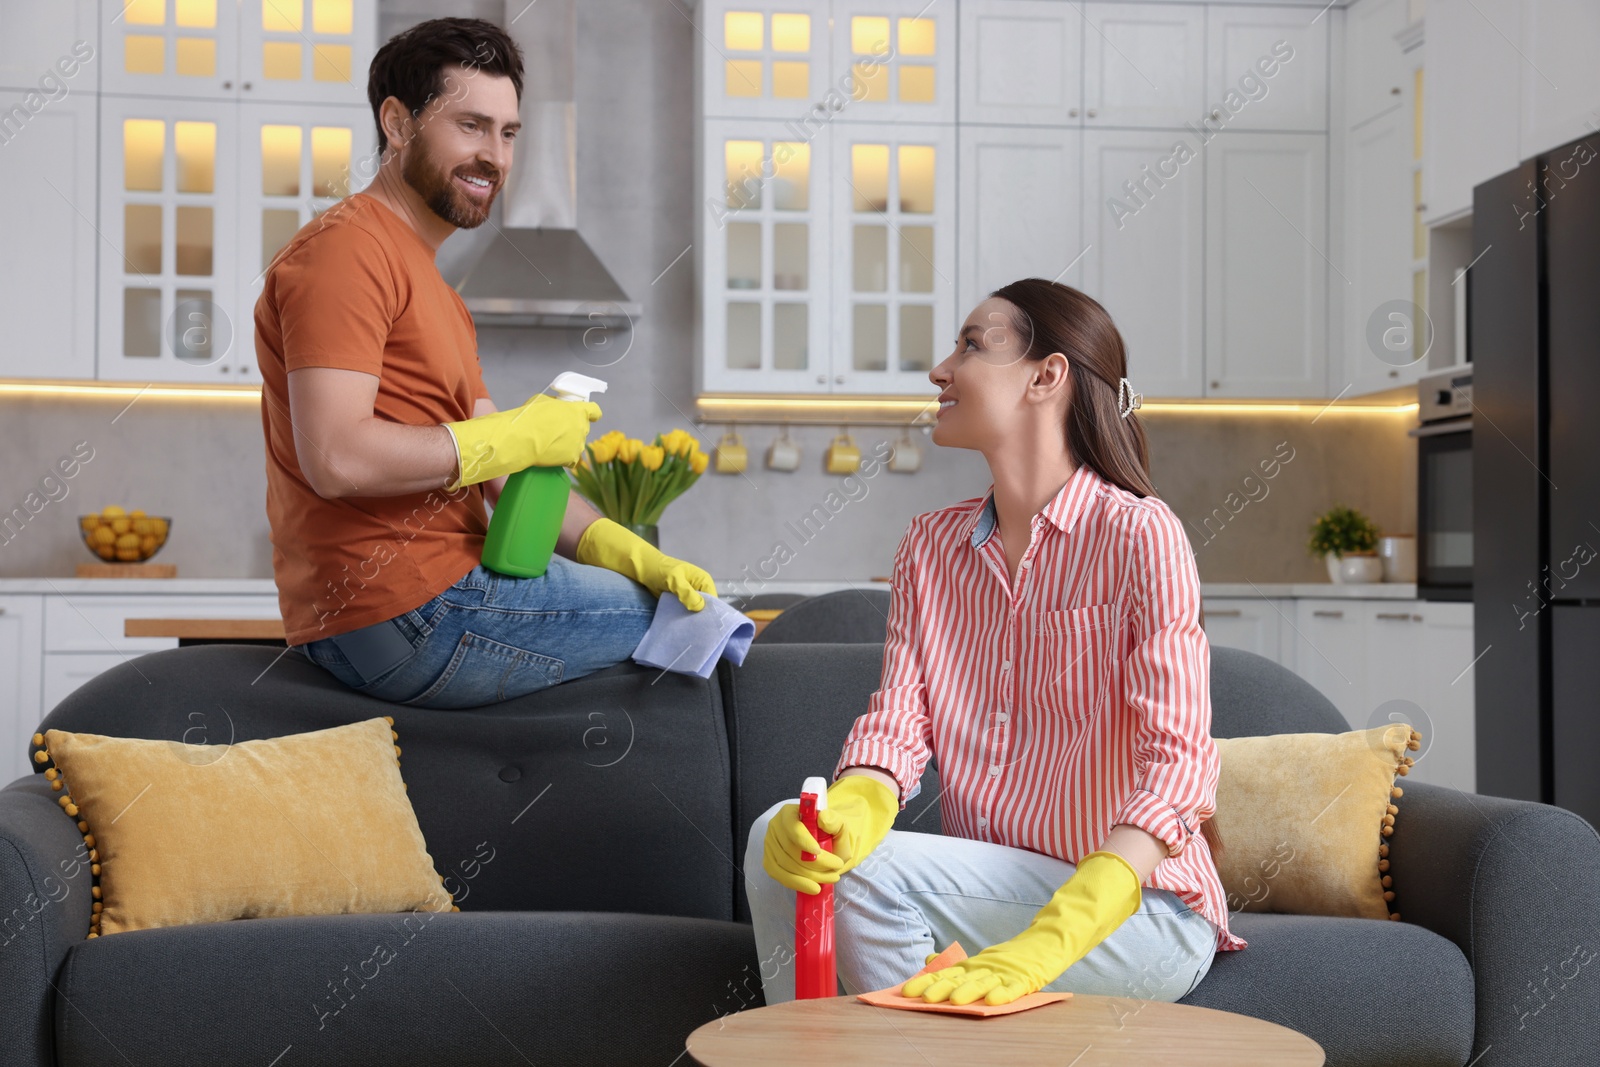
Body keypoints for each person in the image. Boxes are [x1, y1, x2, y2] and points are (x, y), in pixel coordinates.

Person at [745, 278, 1245, 1006]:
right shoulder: (930, 546)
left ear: (1047, 376)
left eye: (972, 345)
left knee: (854, 878)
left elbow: (1179, 765)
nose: (940, 369)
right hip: (991, 885)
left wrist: (1051, 938)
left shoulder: (1140, 534)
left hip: (1136, 911)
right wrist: (852, 809)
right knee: (782, 847)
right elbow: (898, 726)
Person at [256, 18, 714, 709]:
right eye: (470, 125)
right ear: (398, 123)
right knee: (699, 629)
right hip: (407, 606)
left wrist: (625, 550)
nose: (493, 157)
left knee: (671, 602)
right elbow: (336, 455)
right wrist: (513, 434)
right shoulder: (345, 252)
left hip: (429, 600)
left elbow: (499, 469)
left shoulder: (438, 291)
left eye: (507, 134)